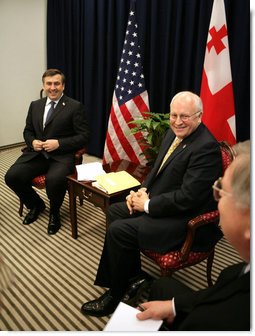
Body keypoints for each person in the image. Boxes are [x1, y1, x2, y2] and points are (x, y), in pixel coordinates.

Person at [81, 91, 223, 317]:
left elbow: (189, 198)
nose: (177, 121)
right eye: (174, 115)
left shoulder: (206, 148)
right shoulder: (172, 133)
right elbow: (156, 171)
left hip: (184, 220)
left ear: (199, 116)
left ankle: (115, 293)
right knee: (117, 210)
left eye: (184, 116)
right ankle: (134, 277)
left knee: (119, 231)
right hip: (164, 204)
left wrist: (148, 205)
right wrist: (140, 191)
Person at [136, 140, 250, 331]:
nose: (217, 200)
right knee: (161, 286)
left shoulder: (219, 322)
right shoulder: (235, 271)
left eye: (221, 190)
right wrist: (172, 306)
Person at [5, 69, 89, 235]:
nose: (52, 87)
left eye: (56, 83)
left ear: (63, 86)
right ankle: (36, 204)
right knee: (12, 176)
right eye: (49, 84)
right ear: (43, 86)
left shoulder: (74, 106)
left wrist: (59, 143)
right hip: (37, 155)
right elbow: (28, 131)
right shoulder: (35, 105)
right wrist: (32, 141)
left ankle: (54, 213)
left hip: (61, 156)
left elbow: (84, 136)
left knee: (54, 180)